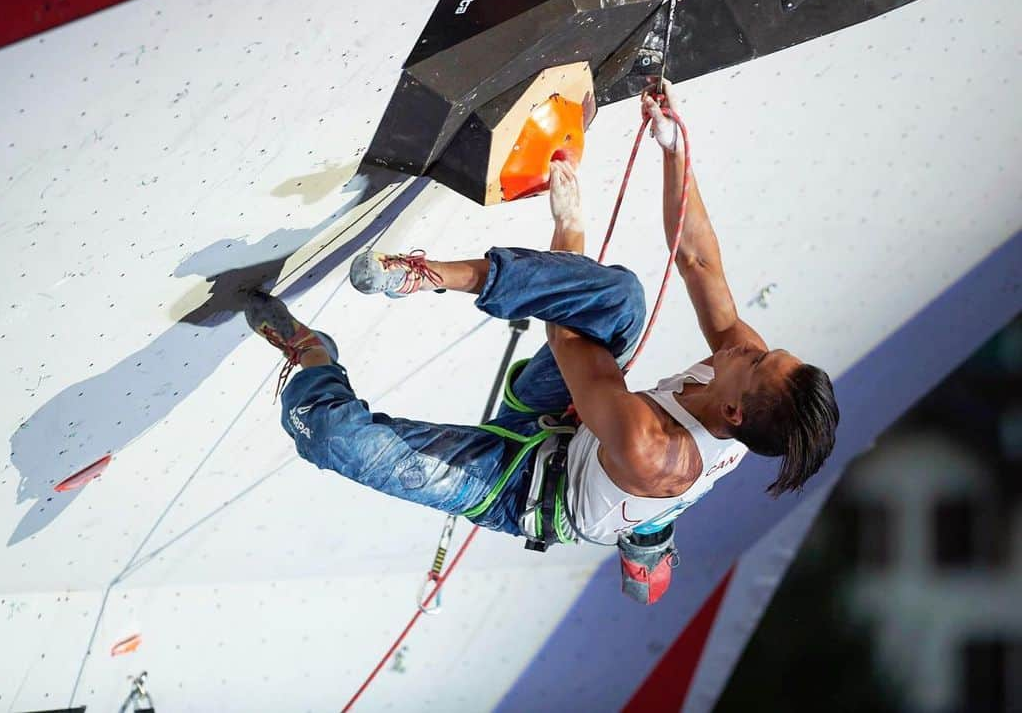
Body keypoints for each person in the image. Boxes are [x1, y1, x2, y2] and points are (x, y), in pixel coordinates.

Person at [245, 81, 839, 546]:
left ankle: (312, 353)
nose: (746, 345)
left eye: (757, 360)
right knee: (624, 298)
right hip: (577, 414)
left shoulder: (650, 448)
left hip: (519, 484)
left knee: (333, 439)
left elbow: (564, 337)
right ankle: (429, 273)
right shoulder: (747, 381)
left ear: (735, 410)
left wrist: (570, 228)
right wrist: (675, 149)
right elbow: (697, 263)